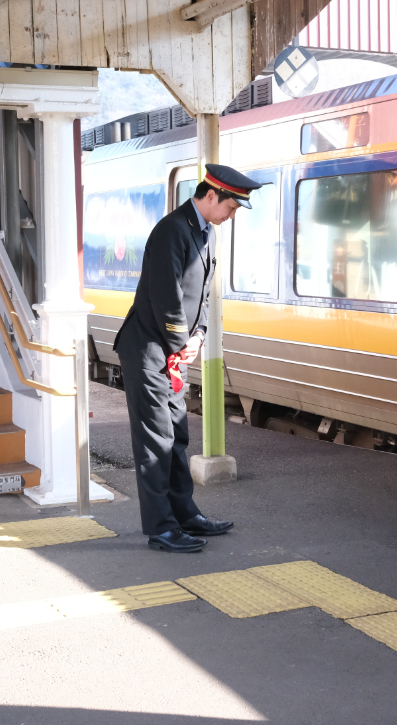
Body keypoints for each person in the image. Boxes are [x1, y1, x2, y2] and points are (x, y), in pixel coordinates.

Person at [112, 163, 263, 553]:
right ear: (211, 195)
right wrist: (183, 340)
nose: (231, 217)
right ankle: (161, 528)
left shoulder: (205, 232)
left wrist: (199, 335)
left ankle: (184, 513)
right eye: (231, 207)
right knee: (155, 442)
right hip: (148, 350)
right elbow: (167, 296)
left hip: (172, 351)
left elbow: (204, 295)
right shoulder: (171, 230)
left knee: (176, 435)